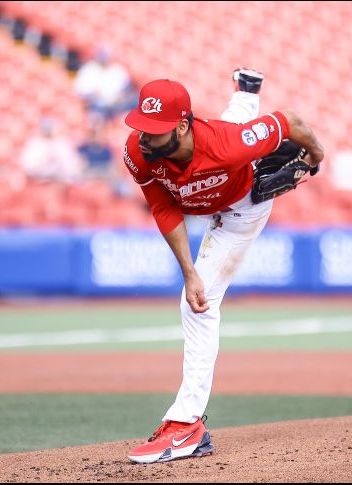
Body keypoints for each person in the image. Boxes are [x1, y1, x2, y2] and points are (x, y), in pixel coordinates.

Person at [121, 69, 324, 464]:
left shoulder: (229, 146)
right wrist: (188, 270)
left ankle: (186, 426)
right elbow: (162, 206)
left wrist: (316, 156)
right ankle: (246, 92)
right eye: (142, 126)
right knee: (233, 126)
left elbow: (292, 122)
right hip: (206, 192)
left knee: (196, 306)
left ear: (182, 126)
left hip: (242, 207)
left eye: (155, 130)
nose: (144, 137)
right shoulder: (138, 151)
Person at [74, 47, 137, 129]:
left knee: (137, 101)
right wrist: (94, 95)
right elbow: (81, 92)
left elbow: (128, 88)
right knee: (99, 110)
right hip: (98, 104)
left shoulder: (116, 69)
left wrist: (121, 97)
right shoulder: (89, 69)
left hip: (117, 103)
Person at [20, 118, 84, 184]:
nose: (49, 131)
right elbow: (28, 167)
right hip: (41, 181)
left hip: (61, 181)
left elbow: (72, 166)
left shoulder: (62, 143)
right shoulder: (34, 144)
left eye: (51, 129)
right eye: (46, 129)